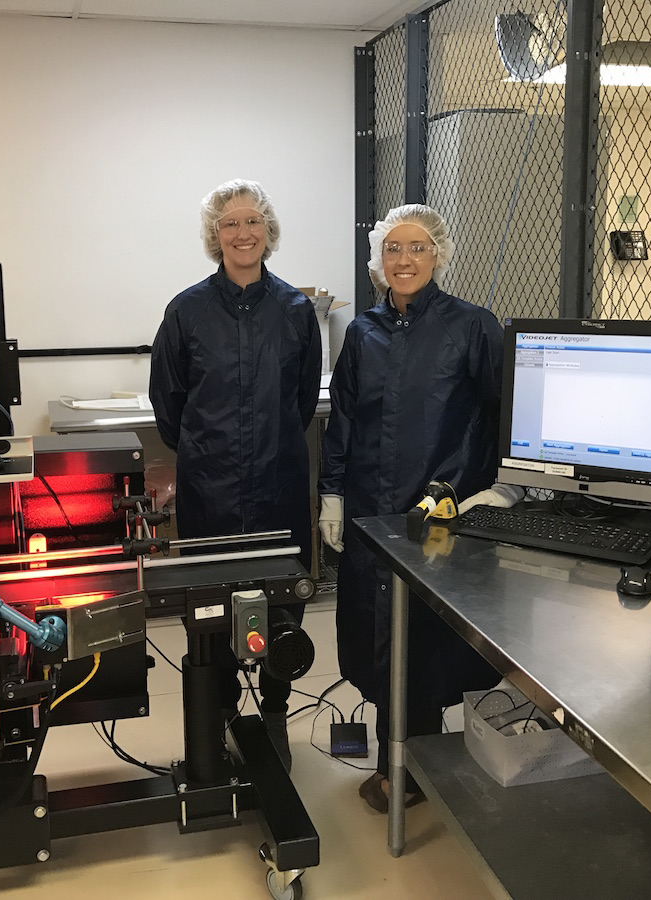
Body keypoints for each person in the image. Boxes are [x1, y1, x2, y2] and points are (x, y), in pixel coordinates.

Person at [317, 203, 521, 811]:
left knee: (427, 640)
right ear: (379, 260)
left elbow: (500, 413)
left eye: (418, 248)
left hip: (442, 510)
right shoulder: (362, 333)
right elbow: (346, 420)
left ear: (439, 255)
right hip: (371, 510)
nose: (404, 260)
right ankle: (393, 765)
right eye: (393, 249)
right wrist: (331, 492)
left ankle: (416, 771)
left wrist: (498, 486)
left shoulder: (474, 327)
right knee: (377, 636)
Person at [149, 179, 322, 772]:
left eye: (252, 222)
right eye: (230, 224)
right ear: (214, 236)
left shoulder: (296, 311)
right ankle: (219, 717)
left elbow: (302, 402)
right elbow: (167, 404)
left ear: (268, 231)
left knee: (282, 607)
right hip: (211, 489)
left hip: (278, 484)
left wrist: (265, 448)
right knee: (212, 607)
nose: (242, 233)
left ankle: (274, 714)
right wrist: (208, 452)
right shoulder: (187, 311)